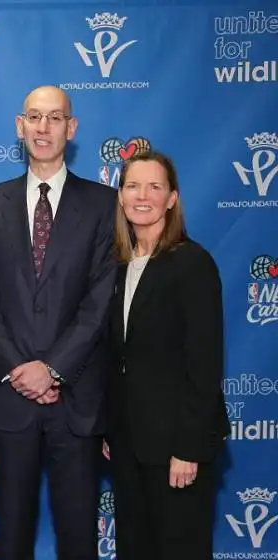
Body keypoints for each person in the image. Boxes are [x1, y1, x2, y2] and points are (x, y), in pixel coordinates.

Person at [0, 85, 116, 560]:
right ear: (20, 125)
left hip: (76, 402)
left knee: (78, 538)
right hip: (11, 399)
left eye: (55, 118)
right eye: (35, 117)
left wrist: (51, 368)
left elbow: (99, 303)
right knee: (13, 537)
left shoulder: (102, 204)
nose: (44, 128)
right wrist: (20, 370)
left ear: (71, 129)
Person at [105, 151, 229, 560]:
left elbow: (204, 365)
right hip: (128, 444)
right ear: (120, 196)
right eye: (133, 186)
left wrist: (188, 448)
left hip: (177, 448)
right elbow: (116, 357)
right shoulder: (118, 266)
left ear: (172, 198)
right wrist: (110, 428)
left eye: (155, 187)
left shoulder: (192, 263)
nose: (143, 196)